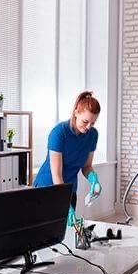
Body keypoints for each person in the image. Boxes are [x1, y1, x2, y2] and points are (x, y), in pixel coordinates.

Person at [34, 91, 102, 225]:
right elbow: (56, 174)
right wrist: (63, 202)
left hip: (69, 190)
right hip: (48, 188)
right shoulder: (59, 133)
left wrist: (94, 180)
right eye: (85, 121)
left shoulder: (93, 135)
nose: (88, 127)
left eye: (93, 123)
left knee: (67, 231)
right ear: (76, 112)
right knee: (46, 232)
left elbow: (87, 166)